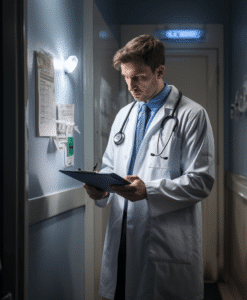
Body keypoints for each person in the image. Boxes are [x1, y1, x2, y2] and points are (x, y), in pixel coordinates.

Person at [84, 34, 215, 300]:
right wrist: (101, 189)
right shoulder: (124, 115)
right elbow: (111, 165)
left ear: (159, 72)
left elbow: (202, 181)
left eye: (139, 77)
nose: (131, 86)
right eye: (126, 77)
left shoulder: (192, 114)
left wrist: (149, 191)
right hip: (122, 237)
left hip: (163, 241)